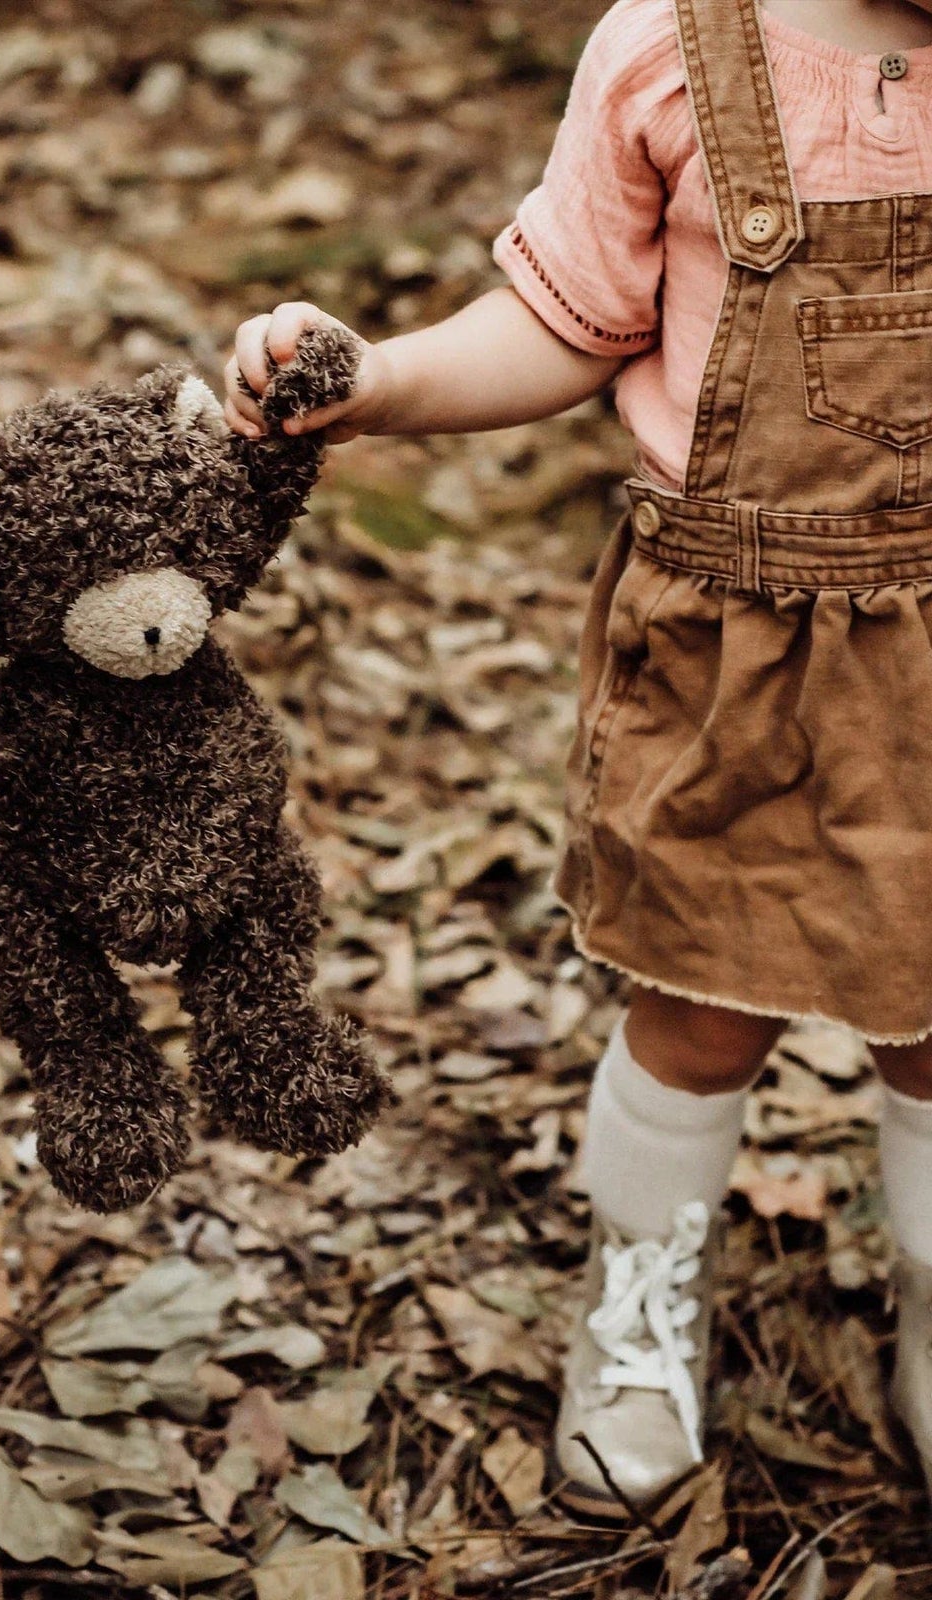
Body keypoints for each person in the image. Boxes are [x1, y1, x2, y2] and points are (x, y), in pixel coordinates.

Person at [229, 0, 932, 1516]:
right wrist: (387, 381)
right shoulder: (677, 49)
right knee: (697, 1008)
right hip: (731, 653)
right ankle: (639, 1305)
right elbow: (570, 317)